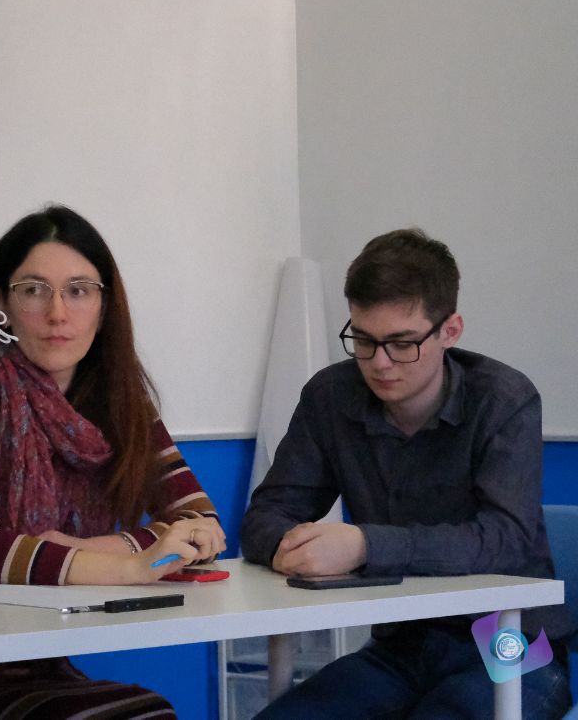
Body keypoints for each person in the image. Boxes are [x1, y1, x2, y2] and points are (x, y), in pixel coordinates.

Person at [0, 205, 226, 720]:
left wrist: (85, 548)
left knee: (145, 713)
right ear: (1, 302)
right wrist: (133, 564)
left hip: (43, 663)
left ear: (104, 305)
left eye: (78, 290)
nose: (57, 313)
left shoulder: (119, 399)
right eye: (34, 290)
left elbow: (202, 527)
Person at [241, 228, 573, 719]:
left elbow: (507, 540)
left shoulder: (504, 399)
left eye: (401, 343)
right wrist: (290, 546)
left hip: (510, 641)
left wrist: (365, 546)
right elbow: (265, 516)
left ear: (450, 331)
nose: (379, 363)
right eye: (363, 339)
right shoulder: (330, 396)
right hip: (402, 644)